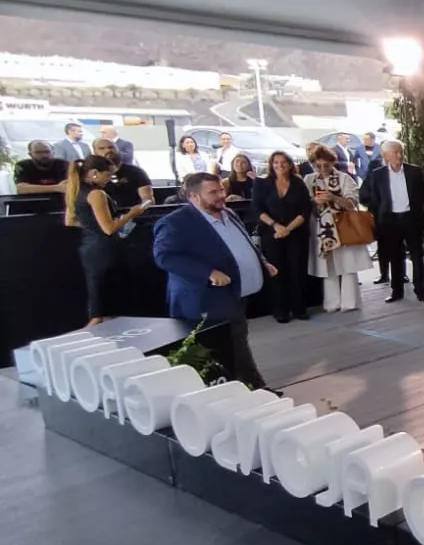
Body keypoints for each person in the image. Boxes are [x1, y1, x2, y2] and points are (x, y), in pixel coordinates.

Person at [152, 173, 275, 389]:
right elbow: (165, 256)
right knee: (218, 351)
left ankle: (253, 388)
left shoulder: (228, 213)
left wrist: (261, 261)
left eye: (221, 190)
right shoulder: (175, 223)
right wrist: (207, 272)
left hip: (234, 296)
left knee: (238, 344)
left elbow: (243, 244)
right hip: (203, 302)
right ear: (193, 196)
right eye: (213, 192)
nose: (221, 195)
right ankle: (243, 391)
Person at [65, 155, 148, 324]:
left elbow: (70, 221)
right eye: (108, 175)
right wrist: (132, 214)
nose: (109, 180)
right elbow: (109, 228)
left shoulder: (76, 190)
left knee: (100, 303)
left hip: (90, 247)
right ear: (95, 173)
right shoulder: (96, 194)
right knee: (103, 309)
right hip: (105, 250)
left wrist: (91, 226)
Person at [359, 140, 424, 304]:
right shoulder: (378, 174)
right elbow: (367, 196)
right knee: (395, 257)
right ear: (385, 156)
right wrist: (379, 210)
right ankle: (396, 290)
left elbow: (423, 195)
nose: (399, 155)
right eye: (395, 152)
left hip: (411, 219)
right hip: (390, 221)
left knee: (417, 256)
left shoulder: (414, 172)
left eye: (401, 152)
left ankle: (420, 290)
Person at [252, 150, 312, 323]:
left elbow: (305, 210)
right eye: (276, 162)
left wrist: (289, 228)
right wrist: (276, 226)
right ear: (271, 165)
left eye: (283, 162)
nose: (280, 165)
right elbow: (257, 209)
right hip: (272, 233)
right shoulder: (262, 183)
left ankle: (299, 308)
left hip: (296, 233)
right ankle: (280, 310)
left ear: (290, 164)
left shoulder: (298, 183)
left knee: (297, 270)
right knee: (277, 271)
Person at [305, 145, 367, 313]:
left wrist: (333, 197)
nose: (323, 169)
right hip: (321, 227)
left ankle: (351, 302)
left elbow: (352, 203)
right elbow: (302, 204)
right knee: (327, 265)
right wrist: (314, 202)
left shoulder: (344, 178)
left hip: (342, 224)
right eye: (318, 166)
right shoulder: (309, 180)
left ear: (333, 163)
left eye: (326, 165)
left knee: (347, 264)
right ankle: (331, 303)